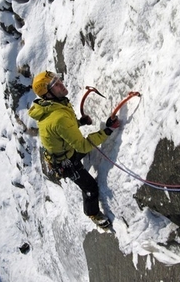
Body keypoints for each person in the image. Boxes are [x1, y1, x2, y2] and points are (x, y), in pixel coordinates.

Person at [28, 70, 120, 228]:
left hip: (64, 148)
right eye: (55, 85)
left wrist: (79, 123)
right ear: (48, 94)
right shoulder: (58, 116)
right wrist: (108, 130)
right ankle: (93, 214)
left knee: (82, 150)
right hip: (65, 162)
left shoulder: (56, 104)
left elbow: (62, 129)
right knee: (90, 187)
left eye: (58, 80)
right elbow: (82, 144)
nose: (61, 85)